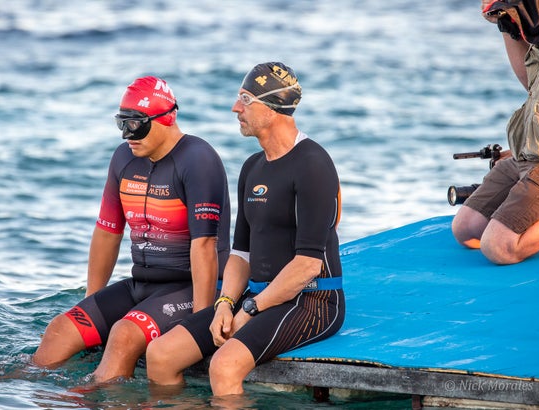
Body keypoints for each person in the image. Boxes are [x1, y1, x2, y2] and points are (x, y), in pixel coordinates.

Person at [146, 62, 345, 397]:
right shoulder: (253, 167)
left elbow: (308, 265)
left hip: (312, 300)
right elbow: (241, 254)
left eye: (246, 99)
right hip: (258, 297)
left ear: (273, 108)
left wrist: (251, 310)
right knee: (160, 355)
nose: (235, 107)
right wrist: (225, 303)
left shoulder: (312, 164)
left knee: (223, 366)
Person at [32, 76, 231, 384]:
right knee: (59, 331)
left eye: (136, 124)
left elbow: (204, 245)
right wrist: (92, 301)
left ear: (167, 118)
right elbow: (107, 232)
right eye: (121, 123)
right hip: (141, 285)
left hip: (191, 287)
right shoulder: (123, 158)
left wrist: (198, 325)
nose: (127, 135)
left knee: (123, 335)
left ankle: (101, 402)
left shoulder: (198, 159)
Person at [451, 1, 539, 265]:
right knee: (466, 229)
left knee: (499, 247)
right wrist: (508, 23)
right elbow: (533, 86)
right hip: (530, 153)